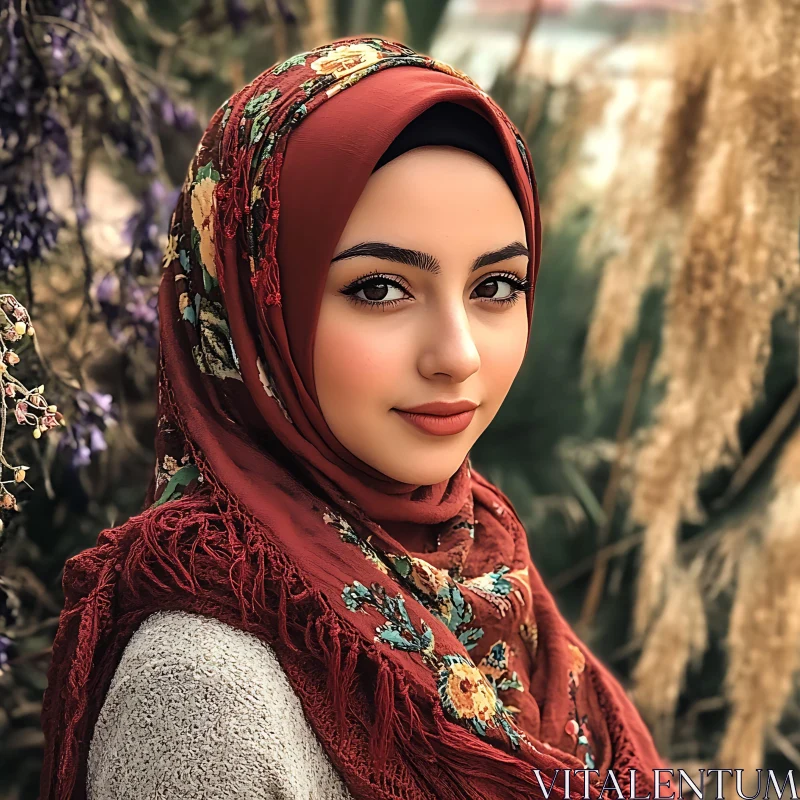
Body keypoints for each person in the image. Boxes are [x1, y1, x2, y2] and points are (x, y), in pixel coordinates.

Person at [39, 35, 672, 800]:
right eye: (379, 289)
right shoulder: (203, 691)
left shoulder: (488, 575)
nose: (458, 354)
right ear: (251, 308)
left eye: (498, 286)